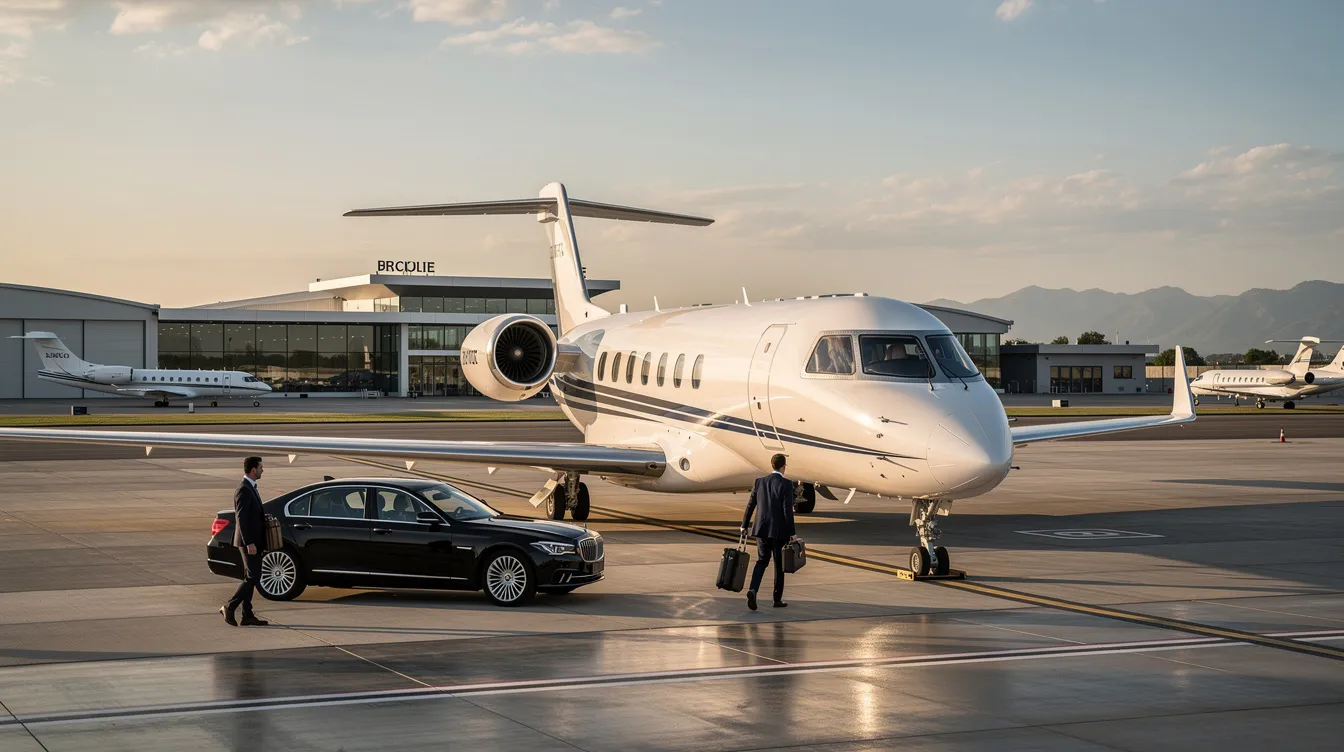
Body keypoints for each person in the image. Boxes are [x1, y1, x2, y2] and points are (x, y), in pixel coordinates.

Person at [740, 453, 797, 611]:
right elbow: (787, 511)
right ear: (784, 467)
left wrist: (744, 525)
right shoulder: (786, 484)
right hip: (779, 532)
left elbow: (751, 504)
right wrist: (792, 532)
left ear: (772, 465)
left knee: (761, 562)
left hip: (761, 529)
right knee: (779, 566)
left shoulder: (760, 482)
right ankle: (777, 599)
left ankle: (753, 589)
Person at [220, 456, 270, 627]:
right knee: (253, 576)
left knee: (251, 576)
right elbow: (241, 518)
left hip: (254, 541)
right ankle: (229, 606)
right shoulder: (244, 489)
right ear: (253, 469)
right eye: (261, 467)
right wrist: (249, 542)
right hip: (248, 542)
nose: (263, 470)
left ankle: (247, 615)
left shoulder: (251, 488)